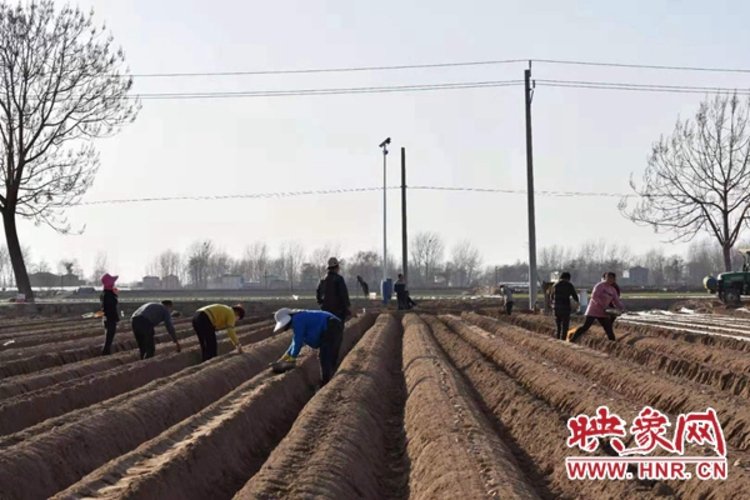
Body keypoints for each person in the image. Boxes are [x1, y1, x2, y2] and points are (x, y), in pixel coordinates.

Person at [269, 308, 343, 387]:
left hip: (332, 325)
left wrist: (292, 358)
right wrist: (286, 356)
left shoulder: (297, 320)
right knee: (328, 353)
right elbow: (295, 340)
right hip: (332, 324)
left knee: (325, 354)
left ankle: (326, 382)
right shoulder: (298, 318)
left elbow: (298, 341)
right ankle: (331, 377)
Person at [568, 272, 625, 343]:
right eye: (608, 278)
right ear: (605, 278)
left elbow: (616, 301)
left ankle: (613, 343)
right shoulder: (599, 286)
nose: (610, 280)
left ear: (614, 279)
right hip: (593, 310)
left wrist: (622, 308)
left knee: (608, 328)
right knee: (585, 327)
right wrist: (603, 305)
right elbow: (594, 297)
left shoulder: (612, 290)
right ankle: (573, 339)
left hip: (603, 312)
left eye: (612, 278)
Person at [316, 257, 351, 322]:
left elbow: (318, 294)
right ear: (337, 267)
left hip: (325, 312)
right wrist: (348, 310)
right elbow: (344, 295)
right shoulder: (339, 279)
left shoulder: (323, 280)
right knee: (337, 330)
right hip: (337, 313)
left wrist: (321, 304)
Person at [551, 272, 579, 340]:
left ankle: (557, 338)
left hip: (556, 307)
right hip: (565, 308)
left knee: (558, 325)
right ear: (568, 278)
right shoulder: (569, 285)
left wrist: (553, 304)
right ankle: (563, 339)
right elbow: (575, 296)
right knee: (565, 326)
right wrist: (577, 301)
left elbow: (551, 296)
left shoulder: (555, 285)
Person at [100, 273, 120, 355]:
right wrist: (115, 318)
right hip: (110, 319)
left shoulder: (106, 294)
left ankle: (106, 352)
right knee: (109, 338)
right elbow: (110, 309)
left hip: (108, 318)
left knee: (109, 338)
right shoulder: (108, 295)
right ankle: (105, 353)